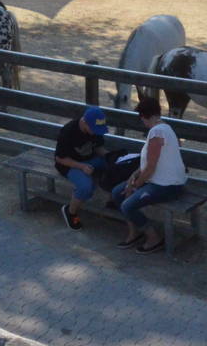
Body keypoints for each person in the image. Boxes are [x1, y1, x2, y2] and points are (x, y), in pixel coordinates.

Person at [111, 97, 187, 254]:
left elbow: (151, 166)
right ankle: (134, 231)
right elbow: (150, 162)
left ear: (143, 116)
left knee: (127, 204)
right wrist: (135, 174)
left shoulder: (156, 132)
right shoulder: (164, 127)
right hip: (158, 180)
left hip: (167, 185)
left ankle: (154, 238)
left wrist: (135, 185)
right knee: (117, 192)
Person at [53, 106, 110, 230]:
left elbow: (98, 147)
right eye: (94, 129)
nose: (96, 132)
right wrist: (82, 166)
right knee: (86, 186)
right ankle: (71, 211)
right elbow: (60, 158)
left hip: (89, 160)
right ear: (84, 122)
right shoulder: (68, 131)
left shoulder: (95, 129)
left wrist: (110, 157)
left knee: (113, 167)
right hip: (69, 164)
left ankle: (113, 203)